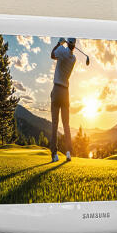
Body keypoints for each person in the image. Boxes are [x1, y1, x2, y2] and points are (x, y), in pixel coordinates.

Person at [47, 37, 77, 165]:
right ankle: (68, 152)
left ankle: (54, 154)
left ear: (68, 43)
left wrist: (59, 43)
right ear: (74, 46)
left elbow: (52, 55)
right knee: (66, 124)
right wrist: (65, 44)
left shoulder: (61, 50)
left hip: (57, 89)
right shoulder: (73, 59)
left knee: (55, 124)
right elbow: (64, 53)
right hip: (65, 92)